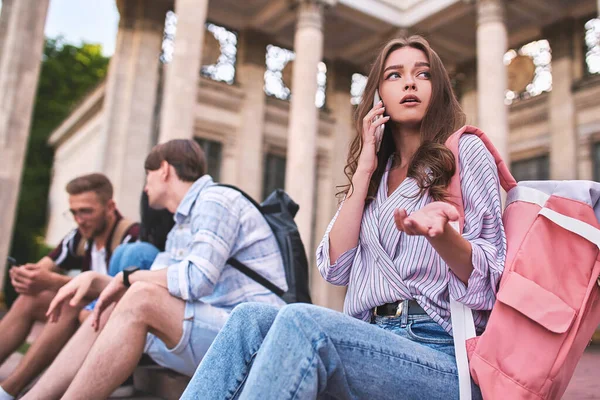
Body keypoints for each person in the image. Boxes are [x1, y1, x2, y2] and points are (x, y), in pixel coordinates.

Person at [179, 35, 506, 400]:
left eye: (423, 74)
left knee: (302, 322)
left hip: (439, 351)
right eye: (395, 75)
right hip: (371, 338)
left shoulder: (465, 152)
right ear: (378, 95)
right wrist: (365, 166)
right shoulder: (376, 178)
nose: (410, 82)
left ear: (439, 89)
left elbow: (493, 278)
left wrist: (442, 237)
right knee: (248, 320)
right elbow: (335, 268)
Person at [22, 139, 287, 400]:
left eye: (147, 176)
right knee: (118, 303)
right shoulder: (181, 224)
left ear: (163, 169)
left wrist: (127, 278)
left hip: (255, 338)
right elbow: (151, 281)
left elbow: (196, 281)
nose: (145, 187)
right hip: (222, 329)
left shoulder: (216, 199)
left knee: (140, 297)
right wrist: (94, 281)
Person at [0, 174, 139, 400]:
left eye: (86, 211)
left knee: (70, 302)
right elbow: (44, 268)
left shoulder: (132, 238)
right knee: (32, 299)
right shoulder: (81, 236)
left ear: (110, 207)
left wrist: (54, 282)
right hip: (85, 322)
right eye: (73, 212)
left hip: (116, 333)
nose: (79, 219)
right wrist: (28, 276)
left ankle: (9, 390)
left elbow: (123, 292)